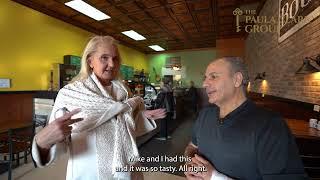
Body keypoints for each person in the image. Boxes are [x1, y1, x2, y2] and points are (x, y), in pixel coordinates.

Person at [32, 36, 166, 180]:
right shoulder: (70, 94)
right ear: (90, 61)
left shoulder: (124, 91)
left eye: (115, 59)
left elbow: (126, 127)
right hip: (89, 173)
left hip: (126, 169)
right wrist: (42, 142)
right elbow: (56, 138)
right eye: (104, 58)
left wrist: (142, 117)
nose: (112, 64)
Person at [184, 57, 306, 180]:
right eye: (205, 78)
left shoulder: (271, 125)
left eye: (213, 76)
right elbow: (192, 147)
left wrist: (214, 177)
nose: (204, 83)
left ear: (237, 80)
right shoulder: (205, 114)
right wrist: (191, 165)